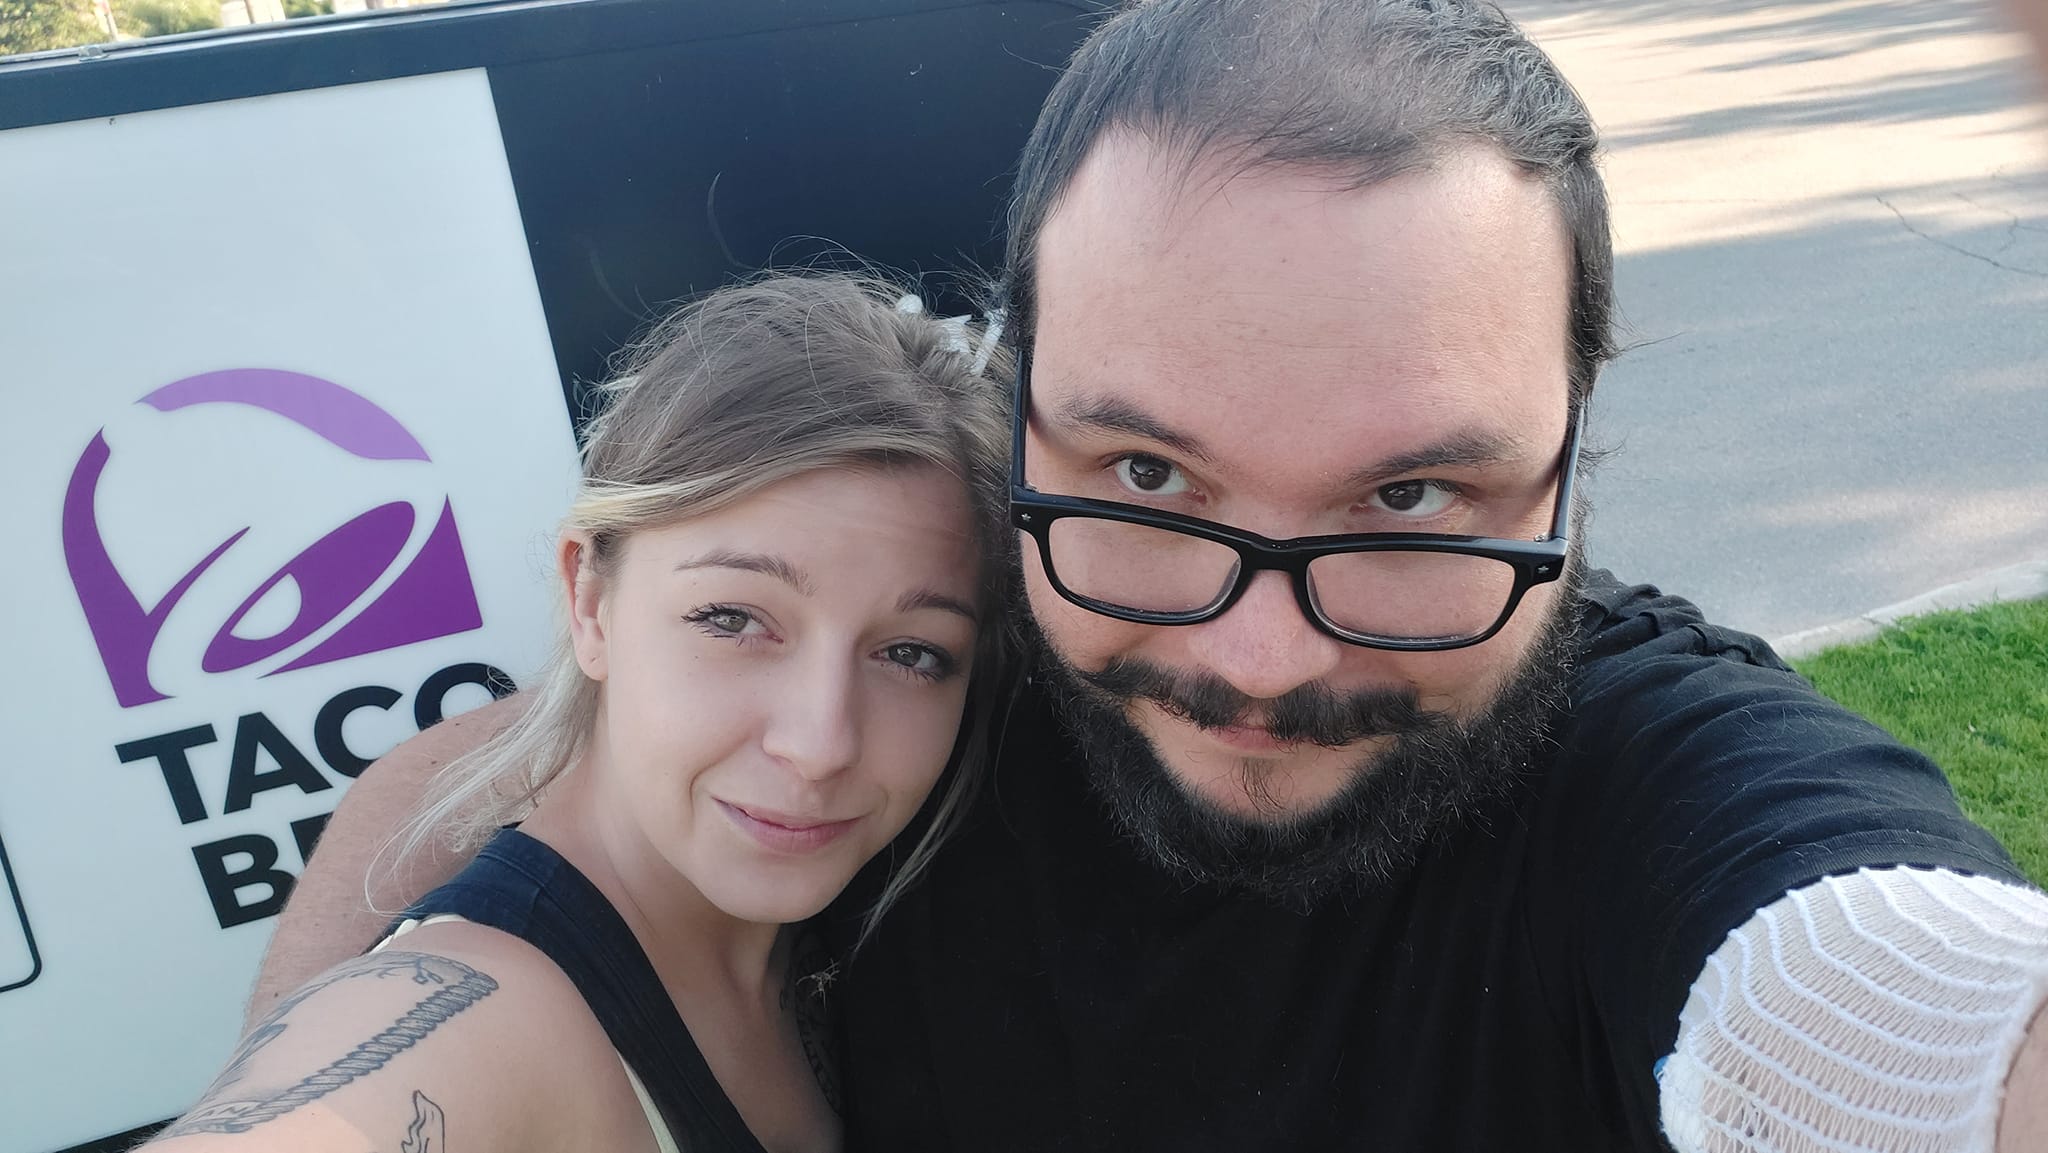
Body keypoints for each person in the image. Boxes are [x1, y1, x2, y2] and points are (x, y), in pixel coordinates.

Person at [259, 2, 2048, 1151]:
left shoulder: (1657, 769)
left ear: (1570, 471)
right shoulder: (910, 679)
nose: (1257, 653)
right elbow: (499, 796)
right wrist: (317, 1014)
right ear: (1013, 421)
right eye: (1144, 474)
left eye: (1410, 492)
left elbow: (1878, 986)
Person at [147, 274, 1012, 1152]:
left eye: (911, 653)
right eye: (734, 619)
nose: (822, 744)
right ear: (589, 600)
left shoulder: (868, 920)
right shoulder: (482, 1017)